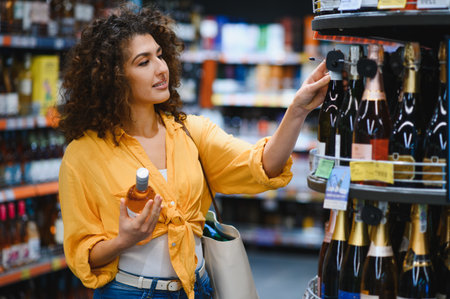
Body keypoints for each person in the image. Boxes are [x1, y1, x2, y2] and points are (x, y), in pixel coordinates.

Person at [57, 4, 330, 299]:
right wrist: (124, 240)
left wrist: (298, 110)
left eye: (160, 55)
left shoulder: (191, 132)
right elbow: (82, 254)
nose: (161, 68)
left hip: (197, 289)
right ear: (113, 77)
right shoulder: (83, 155)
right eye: (143, 62)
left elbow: (263, 164)